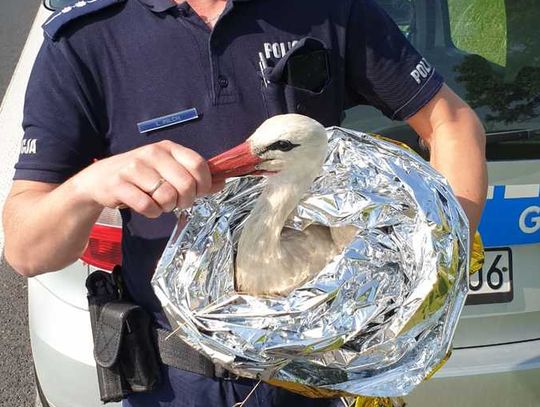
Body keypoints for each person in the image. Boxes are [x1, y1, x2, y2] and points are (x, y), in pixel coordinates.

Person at [2, 0, 487, 406]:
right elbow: (27, 251)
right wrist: (90, 184)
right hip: (174, 380)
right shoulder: (88, 37)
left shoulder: (329, 8)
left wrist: (433, 268)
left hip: (312, 380)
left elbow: (453, 123)